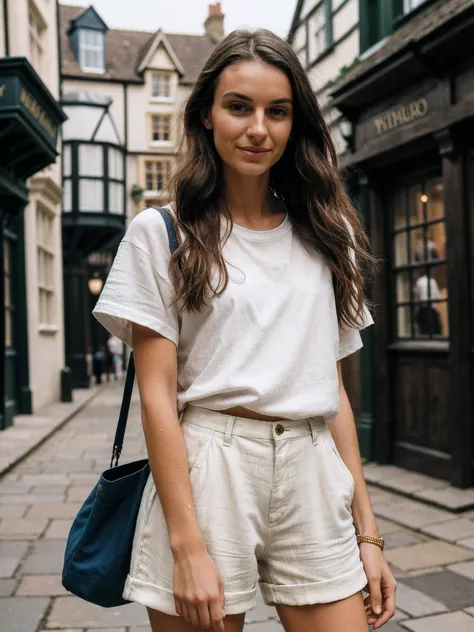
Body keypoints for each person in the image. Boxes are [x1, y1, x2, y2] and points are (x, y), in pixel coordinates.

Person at [93, 29, 396, 632]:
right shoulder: (163, 233)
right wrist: (186, 545)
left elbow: (332, 391)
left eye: (277, 112)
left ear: (295, 123)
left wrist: (370, 533)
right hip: (210, 469)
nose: (259, 128)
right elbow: (158, 393)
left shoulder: (327, 233)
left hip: (312, 468)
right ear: (206, 114)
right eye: (239, 107)